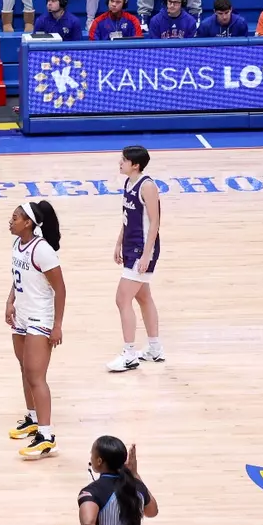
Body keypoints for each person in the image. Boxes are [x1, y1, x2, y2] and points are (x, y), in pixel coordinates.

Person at [6, 200, 67, 460]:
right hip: (22, 313)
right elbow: (17, 277)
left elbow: (60, 289)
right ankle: (32, 418)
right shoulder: (17, 244)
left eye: (15, 217)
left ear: (28, 222)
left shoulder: (42, 250)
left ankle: (46, 435)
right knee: (24, 368)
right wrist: (10, 301)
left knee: (36, 376)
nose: (10, 221)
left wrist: (57, 325)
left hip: (40, 317)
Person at [106, 144, 165, 373]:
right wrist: (118, 243)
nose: (120, 163)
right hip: (131, 246)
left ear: (135, 164)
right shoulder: (128, 183)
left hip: (143, 250)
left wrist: (147, 255)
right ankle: (155, 348)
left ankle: (130, 354)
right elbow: (126, 218)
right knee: (143, 298)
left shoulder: (147, 186)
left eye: (123, 160)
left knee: (122, 299)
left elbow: (155, 223)